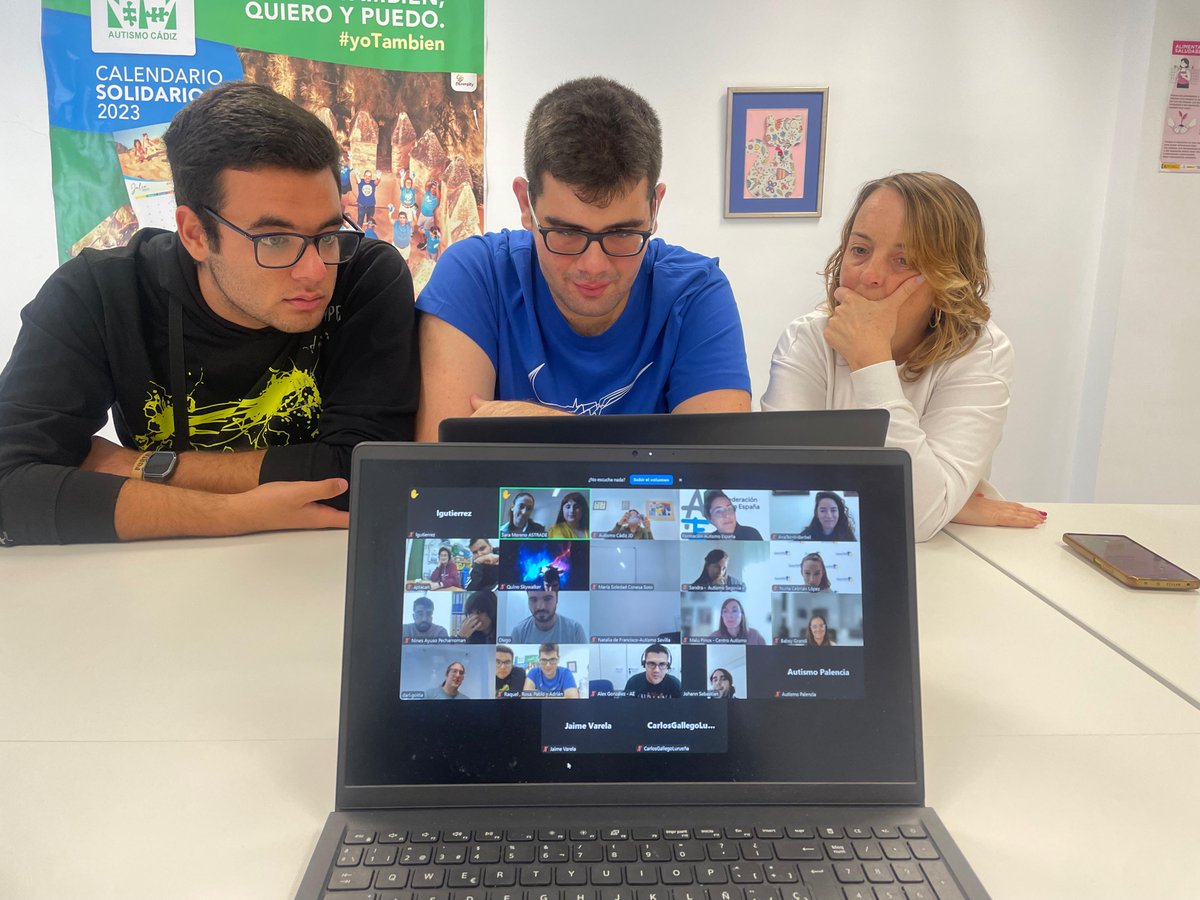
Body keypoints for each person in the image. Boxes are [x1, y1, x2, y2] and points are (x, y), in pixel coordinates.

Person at [0, 81, 418, 546]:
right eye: (275, 239)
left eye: (327, 233)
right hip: (162, 583)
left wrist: (137, 467)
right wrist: (233, 514)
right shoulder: (100, 295)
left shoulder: (363, 276)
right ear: (195, 234)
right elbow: (9, 486)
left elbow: (371, 475)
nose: (315, 271)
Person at [414, 76, 751, 438]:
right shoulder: (476, 276)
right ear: (526, 205)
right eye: (567, 233)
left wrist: (543, 428)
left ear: (655, 208)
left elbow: (714, 480)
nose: (594, 266)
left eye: (622, 234)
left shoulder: (697, 293)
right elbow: (442, 478)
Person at [760, 172, 1045, 541]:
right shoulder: (808, 338)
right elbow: (781, 494)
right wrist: (949, 504)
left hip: (943, 560)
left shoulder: (980, 352)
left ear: (949, 276)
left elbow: (917, 520)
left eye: (903, 260)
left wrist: (871, 363)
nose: (871, 275)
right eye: (860, 250)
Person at [508, 587, 586, 644]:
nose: (540, 607)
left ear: (557, 599)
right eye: (534, 600)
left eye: (547, 599)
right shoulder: (519, 632)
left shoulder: (575, 630)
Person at [416, 180, 439, 248]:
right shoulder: (427, 193)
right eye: (432, 187)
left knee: (424, 231)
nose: (433, 189)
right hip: (422, 214)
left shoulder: (436, 199)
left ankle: (430, 241)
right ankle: (424, 241)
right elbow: (426, 185)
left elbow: (438, 196)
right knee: (419, 228)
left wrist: (437, 186)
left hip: (429, 218)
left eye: (435, 188)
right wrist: (432, 181)